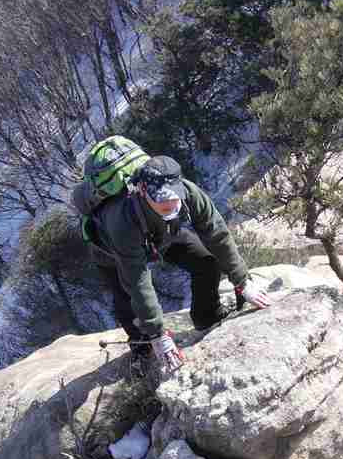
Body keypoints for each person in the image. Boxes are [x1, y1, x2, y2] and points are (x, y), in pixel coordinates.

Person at [88, 153, 271, 371]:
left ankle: (207, 317)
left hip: (163, 234)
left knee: (206, 263)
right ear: (143, 191)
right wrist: (158, 333)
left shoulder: (189, 193)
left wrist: (242, 282)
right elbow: (138, 282)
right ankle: (143, 347)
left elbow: (218, 235)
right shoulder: (122, 219)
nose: (170, 203)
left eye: (174, 196)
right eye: (162, 198)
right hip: (111, 251)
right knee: (127, 296)